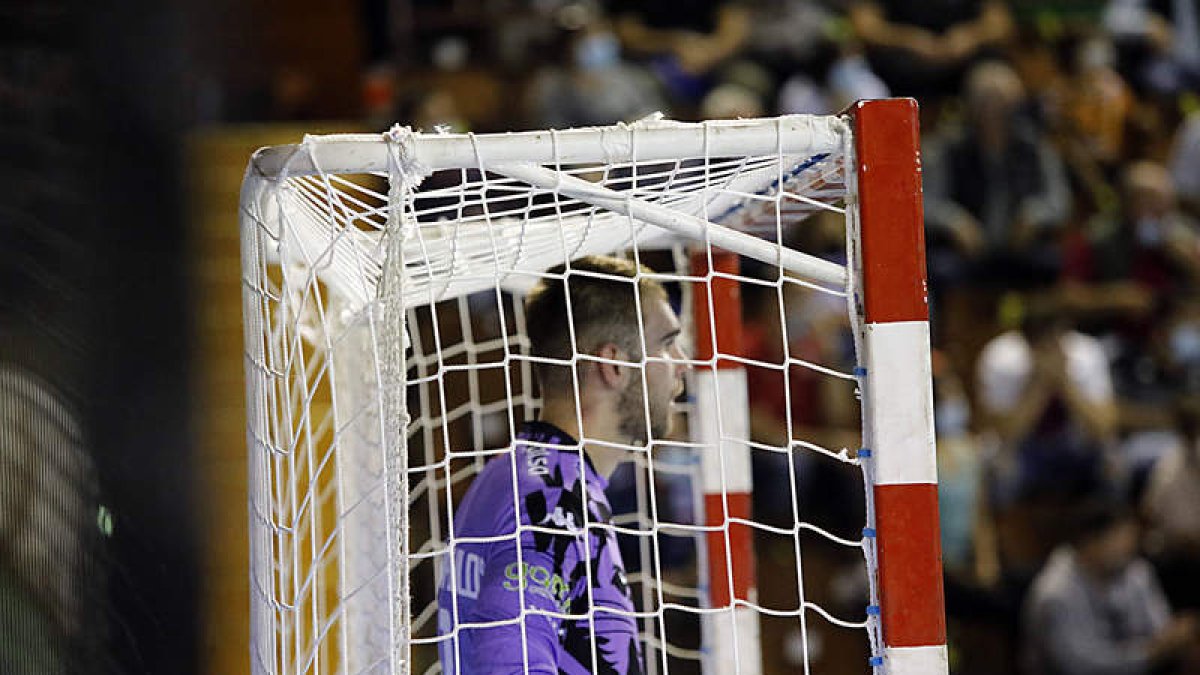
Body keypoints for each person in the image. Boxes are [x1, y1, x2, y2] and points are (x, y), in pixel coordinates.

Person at [437, 256, 687, 674]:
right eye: (666, 342)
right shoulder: (551, 503)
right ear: (615, 365)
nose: (682, 362)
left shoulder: (526, 476)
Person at [1021, 498, 1200, 674]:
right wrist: (1151, 653)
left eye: (1132, 539)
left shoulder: (1135, 571)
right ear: (1089, 542)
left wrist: (1173, 641)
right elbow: (1080, 667)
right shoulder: (1056, 594)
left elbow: (1161, 629)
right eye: (1120, 539)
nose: (1130, 547)